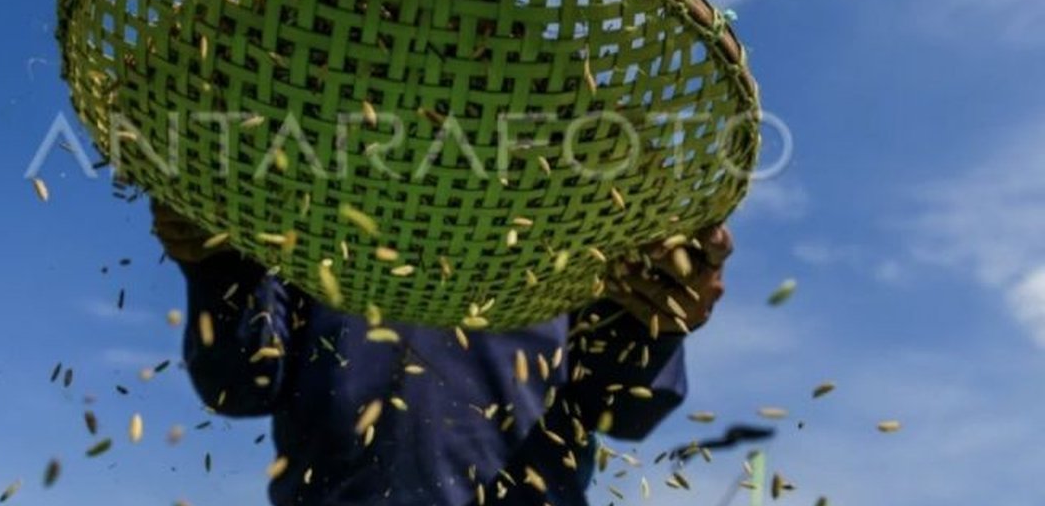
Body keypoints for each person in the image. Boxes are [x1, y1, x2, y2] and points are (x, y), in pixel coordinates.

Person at [152, 200, 731, 506]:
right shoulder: (310, 215)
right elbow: (239, 381)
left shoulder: (570, 224)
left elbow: (624, 410)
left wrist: (656, 316)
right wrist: (218, 263)